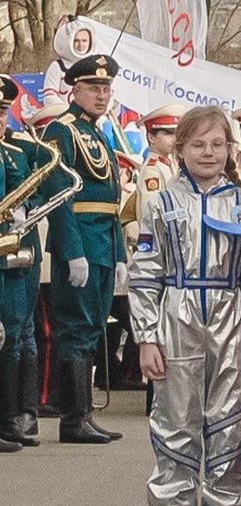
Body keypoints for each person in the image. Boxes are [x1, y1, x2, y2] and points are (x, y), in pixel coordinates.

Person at [128, 105, 241, 506]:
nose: (208, 152)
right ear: (180, 149)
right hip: (177, 311)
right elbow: (145, 272)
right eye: (197, 144)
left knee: (230, 417)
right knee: (175, 416)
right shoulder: (162, 203)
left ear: (230, 148)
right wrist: (147, 336)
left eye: (217, 144)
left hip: (229, 314)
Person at [41, 50, 129, 444]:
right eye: (93, 87)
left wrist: (121, 254)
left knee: (93, 330)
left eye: (106, 87)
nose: (101, 94)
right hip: (80, 243)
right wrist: (70, 248)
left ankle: (85, 415)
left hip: (104, 242)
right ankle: (73, 419)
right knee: (75, 331)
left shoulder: (98, 132)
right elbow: (58, 195)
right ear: (74, 90)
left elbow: (113, 202)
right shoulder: (63, 130)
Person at [0, 89, 69, 449]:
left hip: (14, 252)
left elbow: (28, 190)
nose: (0, 121)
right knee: (11, 334)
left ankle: (13, 416)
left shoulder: (12, 153)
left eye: (1, 113)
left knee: (16, 334)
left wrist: (23, 211)